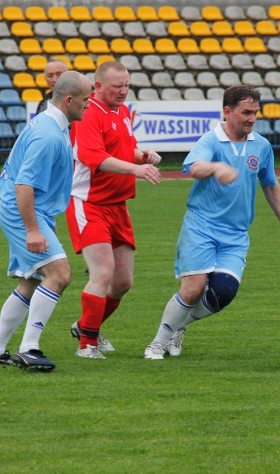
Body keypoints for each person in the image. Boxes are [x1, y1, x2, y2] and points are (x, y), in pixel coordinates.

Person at [144, 85, 280, 360]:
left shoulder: (261, 146)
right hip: (201, 225)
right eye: (246, 112)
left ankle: (180, 326)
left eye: (255, 113)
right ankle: (157, 342)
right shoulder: (211, 141)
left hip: (236, 234)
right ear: (228, 111)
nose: (251, 118)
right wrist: (216, 167)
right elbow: (193, 168)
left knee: (224, 292)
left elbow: (270, 184)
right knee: (192, 290)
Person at [0, 71, 92, 372]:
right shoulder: (48, 134)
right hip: (21, 210)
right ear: (69, 100)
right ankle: (29, 348)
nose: (88, 105)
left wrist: (42, 219)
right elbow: (24, 186)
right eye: (85, 100)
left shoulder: (53, 124)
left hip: (28, 211)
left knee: (30, 281)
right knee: (60, 274)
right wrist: (32, 228)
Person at [66, 61, 163, 359]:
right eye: (116, 86)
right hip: (90, 203)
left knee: (122, 282)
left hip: (117, 205)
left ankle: (85, 326)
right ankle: (88, 346)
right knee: (103, 273)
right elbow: (95, 157)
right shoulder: (88, 114)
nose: (123, 91)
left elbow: (120, 149)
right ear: (97, 86)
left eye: (126, 85)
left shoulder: (121, 111)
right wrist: (137, 168)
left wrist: (143, 154)